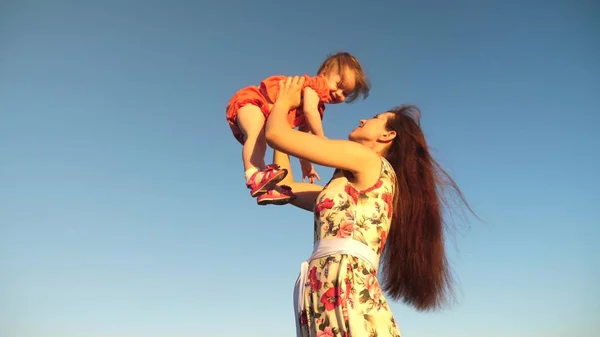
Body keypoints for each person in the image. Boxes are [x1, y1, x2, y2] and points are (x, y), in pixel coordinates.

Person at [265, 76, 474, 337]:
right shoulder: (346, 187)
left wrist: (282, 100)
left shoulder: (367, 160)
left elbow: (275, 135)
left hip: (345, 284)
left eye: (375, 118)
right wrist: (285, 118)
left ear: (388, 135)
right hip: (326, 284)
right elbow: (281, 188)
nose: (363, 119)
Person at [225, 52, 370, 205]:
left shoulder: (318, 109)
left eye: (345, 94)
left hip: (265, 112)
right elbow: (309, 109)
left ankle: (265, 186)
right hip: (253, 101)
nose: (339, 94)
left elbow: (302, 139)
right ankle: (252, 174)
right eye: (339, 85)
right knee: (255, 137)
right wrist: (321, 137)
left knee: (259, 143)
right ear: (325, 71)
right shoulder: (315, 86)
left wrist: (307, 165)